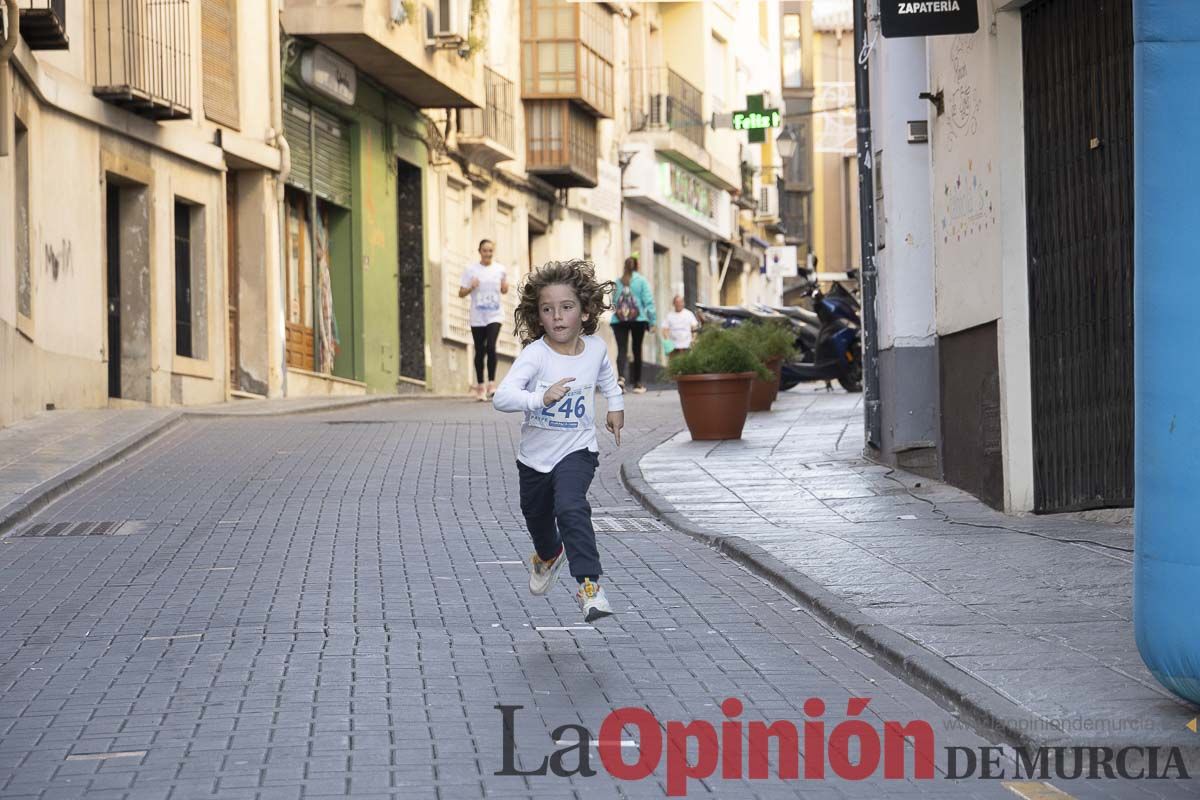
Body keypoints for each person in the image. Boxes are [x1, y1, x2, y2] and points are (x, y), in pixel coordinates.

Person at [492, 259, 624, 622]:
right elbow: (501, 397)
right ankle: (548, 555)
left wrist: (616, 407)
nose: (558, 317)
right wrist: (539, 398)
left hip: (577, 451)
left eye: (567, 307)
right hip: (534, 459)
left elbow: (608, 380)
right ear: (538, 318)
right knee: (537, 519)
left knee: (571, 507)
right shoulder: (535, 354)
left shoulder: (595, 348)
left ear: (584, 312)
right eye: (548, 310)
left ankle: (590, 588)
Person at [459, 239, 509, 401]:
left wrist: (504, 286)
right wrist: (471, 286)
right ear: (479, 251)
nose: (488, 253)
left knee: (491, 346)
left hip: (495, 315)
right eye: (485, 250)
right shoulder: (471, 269)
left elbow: (504, 290)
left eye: (490, 251)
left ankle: (492, 384)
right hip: (477, 316)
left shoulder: (500, 269)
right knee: (480, 350)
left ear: (493, 252)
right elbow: (461, 293)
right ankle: (480, 386)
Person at [611, 257, 656, 394]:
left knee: (622, 349)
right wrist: (652, 321)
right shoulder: (641, 281)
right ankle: (637, 384)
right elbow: (648, 302)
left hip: (619, 321)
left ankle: (621, 380)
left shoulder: (618, 282)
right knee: (637, 350)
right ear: (637, 266)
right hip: (638, 319)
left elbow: (614, 301)